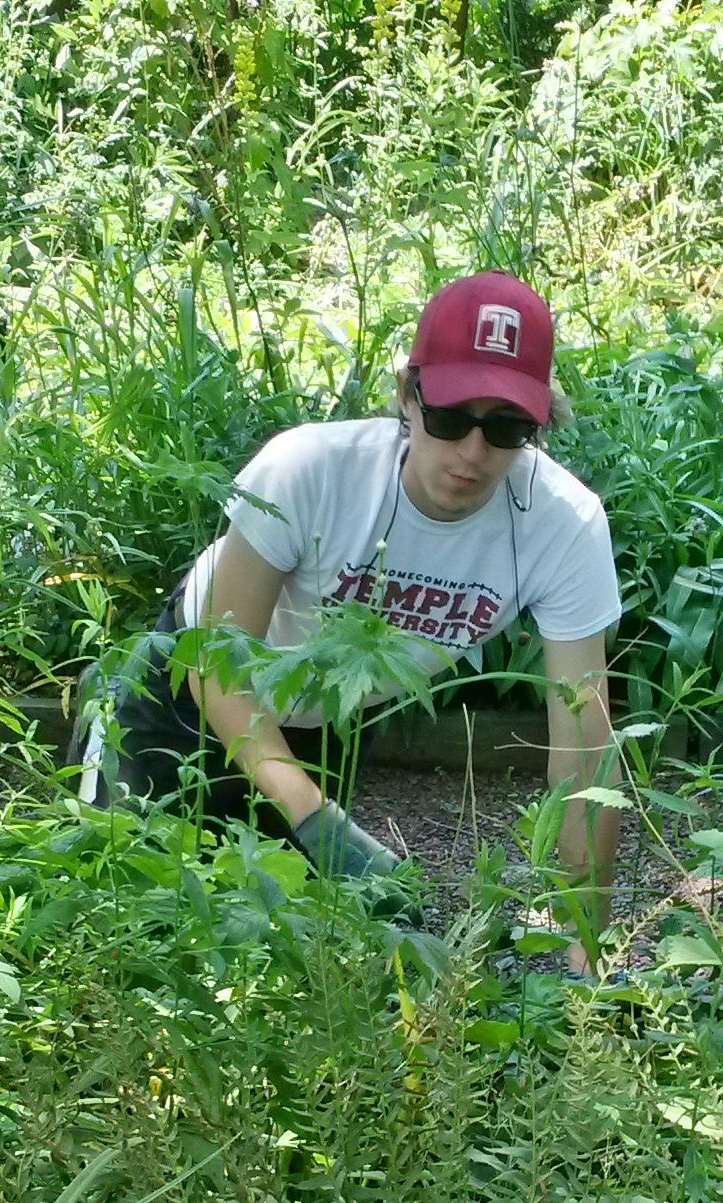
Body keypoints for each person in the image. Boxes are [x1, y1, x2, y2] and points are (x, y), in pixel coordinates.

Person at [77, 272, 623, 975]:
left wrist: (585, 947)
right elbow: (217, 662)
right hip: (177, 700)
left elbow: (584, 749)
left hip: (321, 727)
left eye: (508, 428)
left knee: (296, 968)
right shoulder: (310, 470)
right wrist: (318, 820)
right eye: (452, 416)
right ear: (407, 395)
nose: (472, 453)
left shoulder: (563, 526)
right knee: (118, 923)